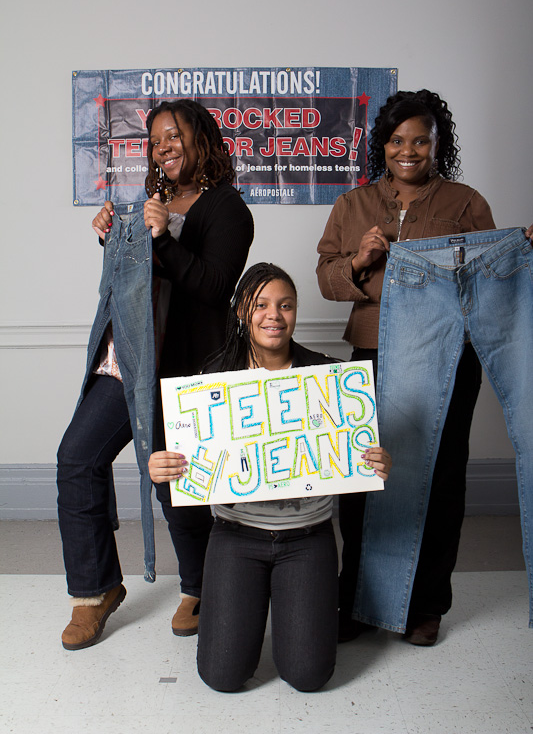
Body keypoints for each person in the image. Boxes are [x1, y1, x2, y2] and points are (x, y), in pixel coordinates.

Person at [57, 99, 254, 650]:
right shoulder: (152, 202)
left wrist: (163, 237)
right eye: (155, 140)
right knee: (77, 457)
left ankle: (201, 587)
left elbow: (215, 288)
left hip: (183, 364)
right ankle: (95, 590)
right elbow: (135, 281)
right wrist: (112, 238)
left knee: (173, 482)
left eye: (174, 135)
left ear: (202, 140)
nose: (162, 147)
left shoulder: (228, 208)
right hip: (128, 358)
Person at [149, 262, 392, 692]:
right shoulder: (211, 380)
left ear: (296, 312)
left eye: (286, 305)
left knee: (308, 675)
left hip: (308, 538)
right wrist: (162, 470)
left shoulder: (327, 377)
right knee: (221, 676)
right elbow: (189, 464)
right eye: (260, 304)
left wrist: (374, 460)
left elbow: (352, 456)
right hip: (235, 536)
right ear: (242, 310)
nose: (273, 315)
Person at [317, 88, 498, 646]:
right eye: (397, 140)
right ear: (383, 145)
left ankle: (426, 606)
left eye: (421, 140)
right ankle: (358, 600)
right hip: (373, 352)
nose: (409, 151)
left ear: (438, 144)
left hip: (448, 357)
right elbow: (326, 281)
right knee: (363, 476)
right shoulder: (352, 205)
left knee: (440, 478)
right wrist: (361, 259)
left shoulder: (466, 203)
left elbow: (490, 281)